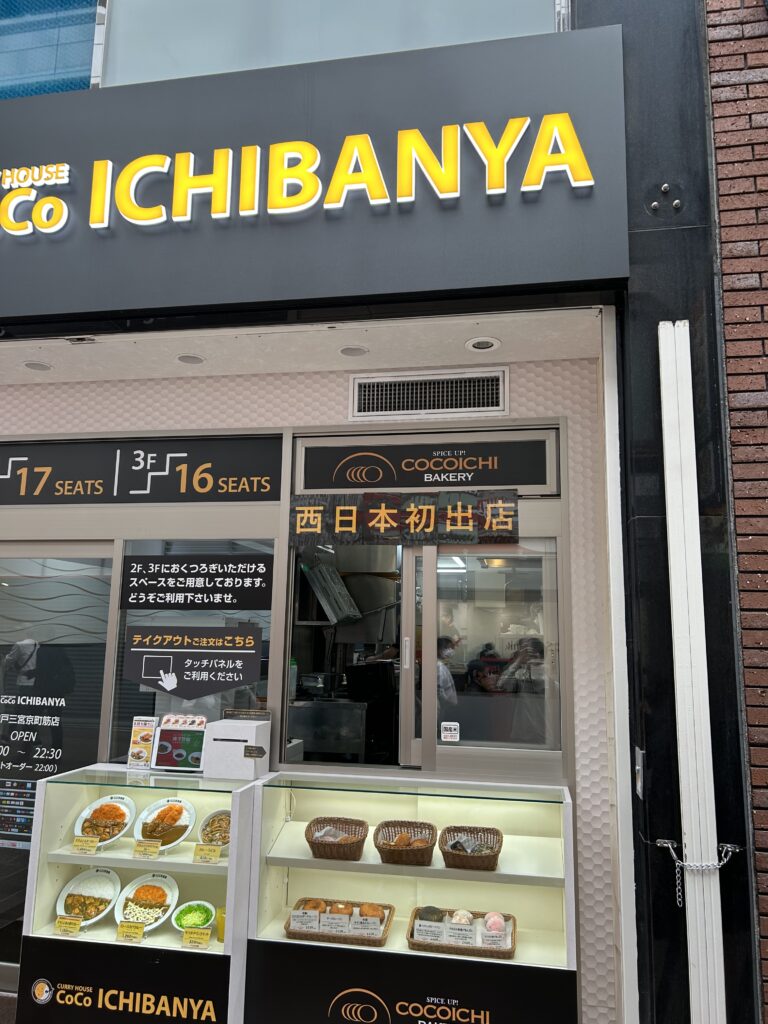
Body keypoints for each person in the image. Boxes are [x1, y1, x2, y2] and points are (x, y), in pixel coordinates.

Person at [437, 636, 458, 707]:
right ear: (440, 649)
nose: (451, 651)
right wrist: (448, 703)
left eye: (452, 648)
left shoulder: (441, 665)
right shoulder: (439, 667)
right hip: (444, 704)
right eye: (449, 648)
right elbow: (440, 691)